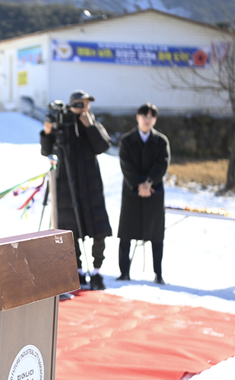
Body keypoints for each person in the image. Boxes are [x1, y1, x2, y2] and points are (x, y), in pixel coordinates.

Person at [40, 90, 112, 291]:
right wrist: (47, 132)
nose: (84, 108)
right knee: (72, 231)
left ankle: (97, 271)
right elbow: (47, 151)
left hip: (90, 184)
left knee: (99, 229)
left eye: (87, 104)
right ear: (71, 105)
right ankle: (78, 270)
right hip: (66, 183)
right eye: (80, 104)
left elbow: (103, 145)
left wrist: (90, 125)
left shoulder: (90, 122)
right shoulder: (62, 124)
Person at [117, 103, 170, 285]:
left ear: (155, 119)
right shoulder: (126, 140)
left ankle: (158, 273)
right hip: (132, 190)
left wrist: (148, 182)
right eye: (144, 116)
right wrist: (138, 184)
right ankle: (124, 271)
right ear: (137, 117)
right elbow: (126, 165)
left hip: (154, 190)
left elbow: (162, 164)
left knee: (156, 233)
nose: (147, 120)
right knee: (126, 231)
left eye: (151, 117)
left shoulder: (161, 141)